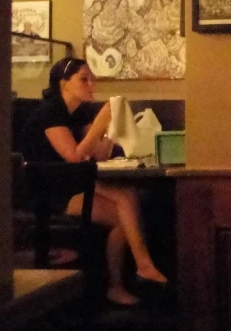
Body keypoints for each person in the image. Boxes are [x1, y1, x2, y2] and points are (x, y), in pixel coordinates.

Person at [21, 57, 169, 307]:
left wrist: (109, 130)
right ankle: (129, 276)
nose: (91, 85)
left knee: (128, 198)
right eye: (83, 79)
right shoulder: (50, 111)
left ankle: (129, 276)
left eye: (92, 80)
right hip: (48, 192)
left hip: (74, 182)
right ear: (63, 83)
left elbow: (99, 155)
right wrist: (99, 123)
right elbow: (74, 156)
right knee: (125, 216)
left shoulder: (78, 113)